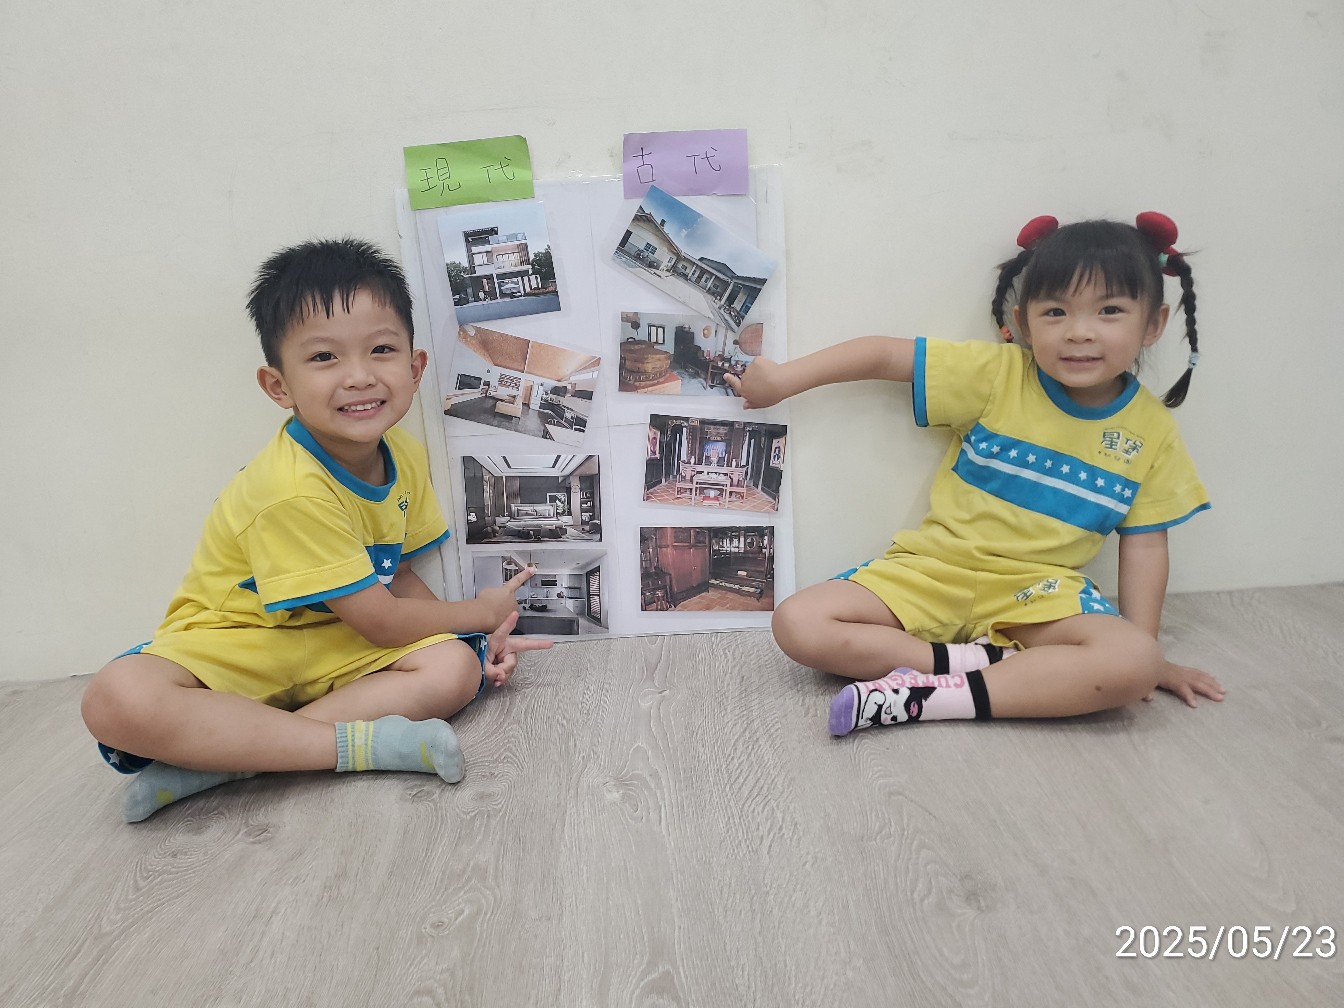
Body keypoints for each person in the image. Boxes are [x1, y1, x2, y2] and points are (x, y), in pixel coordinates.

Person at [81, 238, 551, 821]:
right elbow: (382, 621)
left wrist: (470, 644)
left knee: (453, 669)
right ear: (278, 386)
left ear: (415, 368)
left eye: (381, 349)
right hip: (241, 640)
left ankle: (231, 758)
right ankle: (352, 747)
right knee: (116, 699)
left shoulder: (403, 455)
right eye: (325, 357)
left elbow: (398, 575)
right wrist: (477, 615)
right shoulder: (289, 488)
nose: (359, 377)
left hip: (336, 638)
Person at [724, 213, 1225, 736]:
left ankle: (929, 698)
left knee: (1133, 660)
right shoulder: (998, 375)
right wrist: (783, 380)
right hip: (931, 572)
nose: (1079, 332)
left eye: (1110, 311)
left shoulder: (1151, 430)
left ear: (1153, 325)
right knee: (798, 623)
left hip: (1040, 595)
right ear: (1024, 323)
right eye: (1056, 311)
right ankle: (974, 669)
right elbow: (883, 354)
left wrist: (1147, 650)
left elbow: (1146, 545)